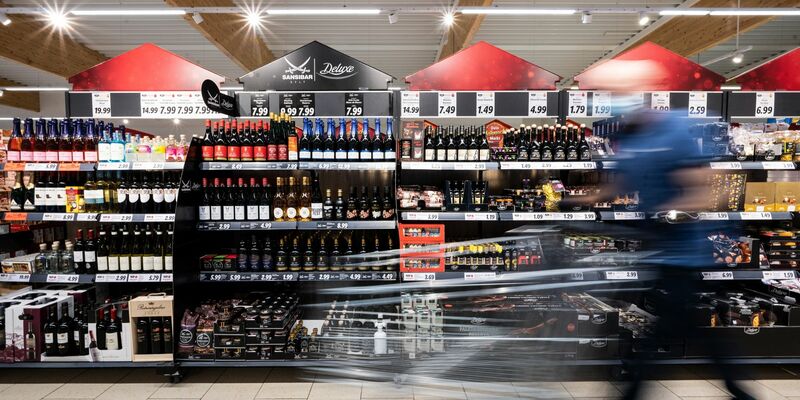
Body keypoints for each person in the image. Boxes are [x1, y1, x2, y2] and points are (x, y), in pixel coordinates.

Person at [611, 110, 754, 400]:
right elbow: (620, 186)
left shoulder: (675, 132)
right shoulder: (634, 140)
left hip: (684, 253)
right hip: (663, 252)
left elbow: (704, 192)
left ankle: (632, 390)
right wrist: (577, 199)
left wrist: (668, 214)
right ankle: (736, 388)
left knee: (669, 327)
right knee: (681, 325)